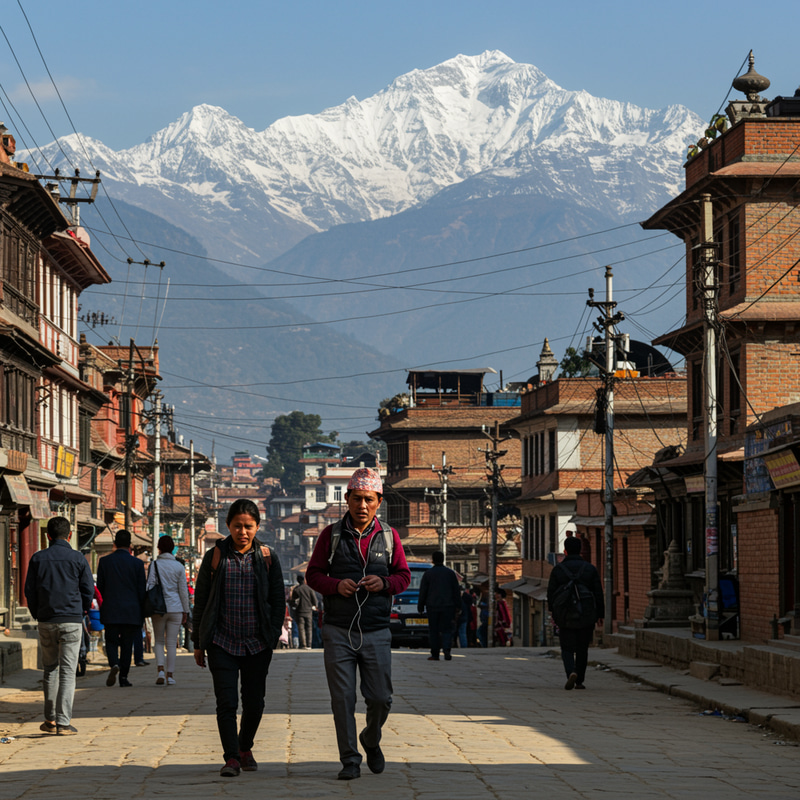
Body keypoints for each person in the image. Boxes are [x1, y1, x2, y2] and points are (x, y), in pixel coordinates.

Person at [306, 467, 411, 781]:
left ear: (379, 501)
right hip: (338, 630)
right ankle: (350, 760)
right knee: (343, 699)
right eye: (356, 499)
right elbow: (313, 575)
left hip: (377, 630)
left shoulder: (390, 537)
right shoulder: (331, 536)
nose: (361, 505)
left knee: (380, 698)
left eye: (368, 499)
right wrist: (335, 585)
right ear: (347, 500)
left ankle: (371, 737)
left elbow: (403, 576)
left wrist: (384, 582)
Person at [193, 499, 285, 778]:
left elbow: (278, 600)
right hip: (222, 641)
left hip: (258, 643)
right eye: (237, 526)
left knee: (255, 701)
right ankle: (231, 757)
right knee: (226, 702)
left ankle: (245, 747)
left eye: (248, 526)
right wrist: (199, 641)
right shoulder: (215, 557)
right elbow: (201, 600)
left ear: (257, 527)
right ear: (228, 526)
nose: (242, 532)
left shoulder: (268, 557)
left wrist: (271, 635)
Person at [24, 516, 94, 735]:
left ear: (48, 536)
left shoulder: (37, 558)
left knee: (50, 669)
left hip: (46, 620)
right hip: (71, 620)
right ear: (70, 535)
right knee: (67, 671)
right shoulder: (78, 558)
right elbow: (88, 590)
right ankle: (64, 722)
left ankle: (50, 719)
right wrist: (80, 611)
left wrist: (38, 613)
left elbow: (29, 591)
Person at [546, 535, 604, 690]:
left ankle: (570, 671)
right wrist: (600, 614)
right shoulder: (590, 569)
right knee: (582, 648)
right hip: (586, 613)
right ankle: (579, 680)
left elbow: (551, 593)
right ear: (580, 551)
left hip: (565, 614)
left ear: (565, 550)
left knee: (566, 648)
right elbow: (598, 592)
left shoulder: (558, 570)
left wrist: (553, 611)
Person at [97, 529, 146, 687]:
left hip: (111, 607)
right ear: (130, 545)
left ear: (115, 544)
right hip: (131, 610)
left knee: (111, 641)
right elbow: (141, 590)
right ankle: (123, 678)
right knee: (127, 644)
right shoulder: (137, 564)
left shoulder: (104, 562)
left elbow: (101, 587)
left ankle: (114, 664)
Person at [147, 535, 190, 685]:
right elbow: (183, 591)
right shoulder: (179, 566)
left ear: (159, 548)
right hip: (176, 608)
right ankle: (170, 675)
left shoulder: (154, 565)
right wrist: (185, 611)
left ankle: (160, 670)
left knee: (158, 640)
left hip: (158, 608)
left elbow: (150, 586)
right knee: (171, 643)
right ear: (173, 549)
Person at [417, 550, 460, 661]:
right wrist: (458, 606)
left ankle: (435, 654)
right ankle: (447, 650)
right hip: (448, 606)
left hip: (432, 606)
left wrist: (420, 606)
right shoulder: (450, 573)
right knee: (446, 629)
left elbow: (423, 591)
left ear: (433, 560)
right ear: (443, 559)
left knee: (434, 630)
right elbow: (456, 591)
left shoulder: (428, 574)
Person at [291, 574, 317, 649]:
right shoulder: (310, 589)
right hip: (309, 611)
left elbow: (293, 602)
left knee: (301, 628)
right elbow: (315, 600)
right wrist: (313, 605)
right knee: (309, 628)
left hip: (300, 612)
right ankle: (309, 644)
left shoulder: (296, 590)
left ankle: (303, 644)